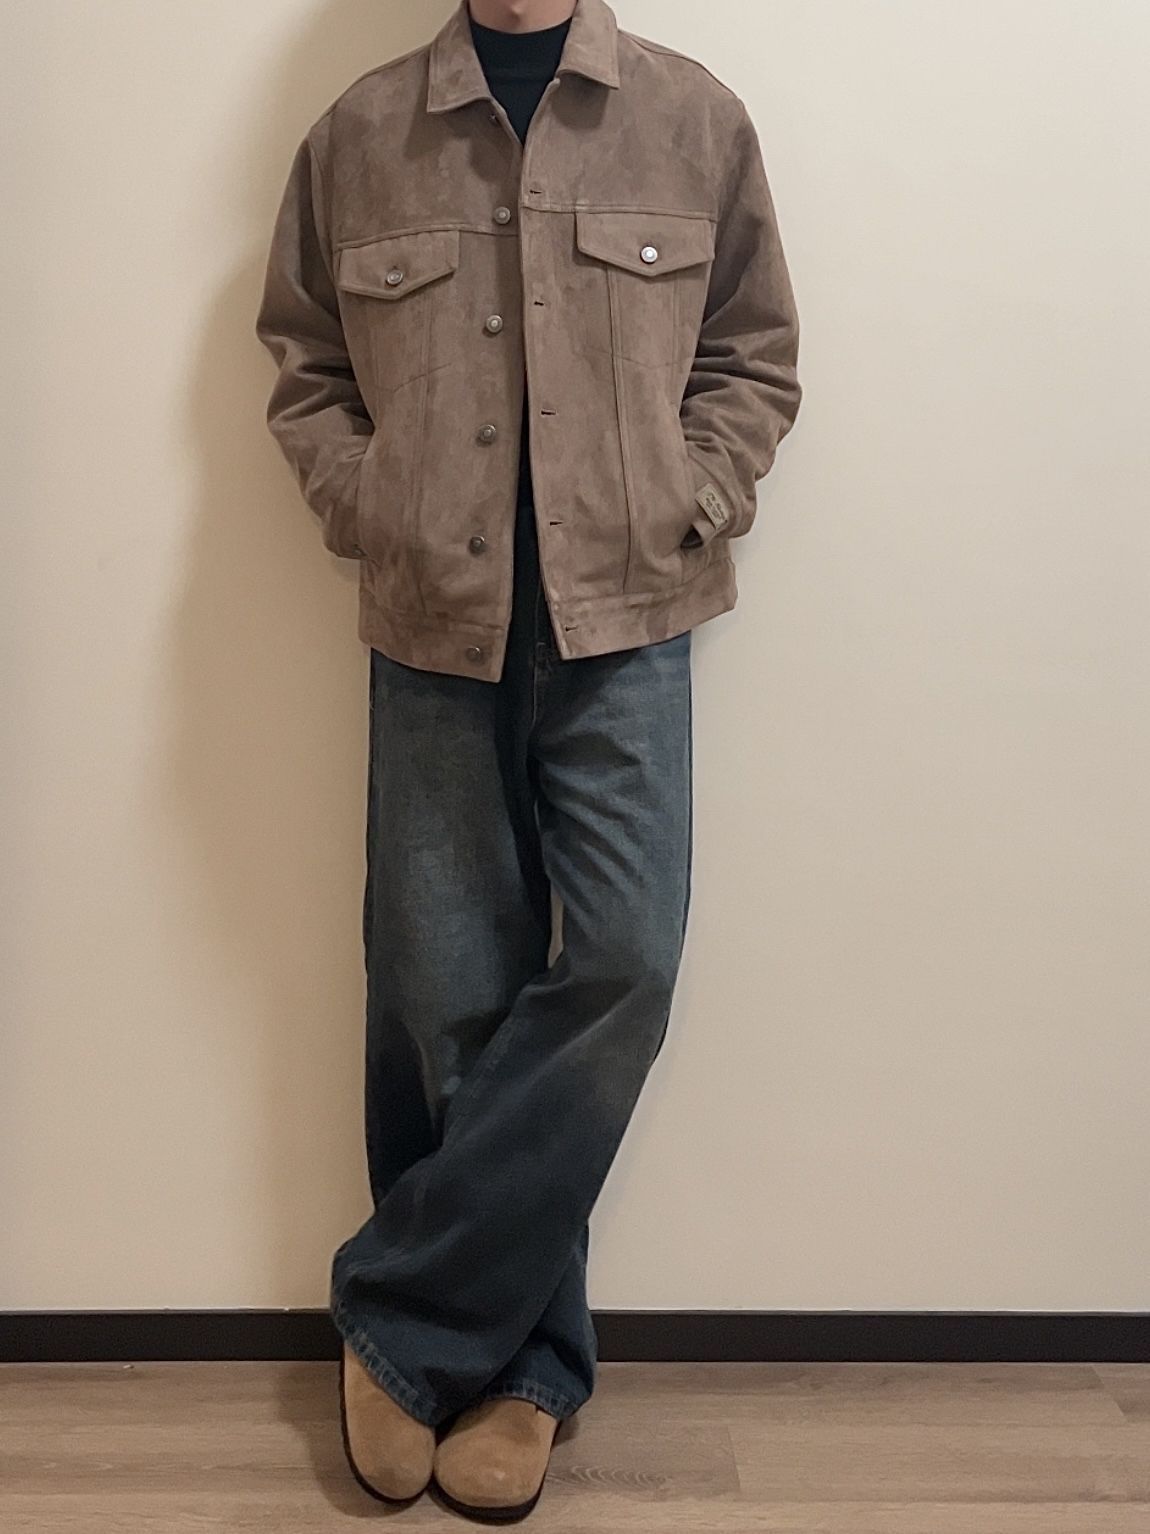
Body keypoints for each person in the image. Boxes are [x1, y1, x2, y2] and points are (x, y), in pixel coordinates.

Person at [254, 0, 801, 1520]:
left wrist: (695, 494)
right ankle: (518, 1369)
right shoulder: (361, 133)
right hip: (434, 619)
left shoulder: (691, 118)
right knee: (442, 992)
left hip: (629, 618)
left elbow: (753, 353)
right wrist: (375, 506)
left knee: (623, 958)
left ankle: (400, 1318)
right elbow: (304, 361)